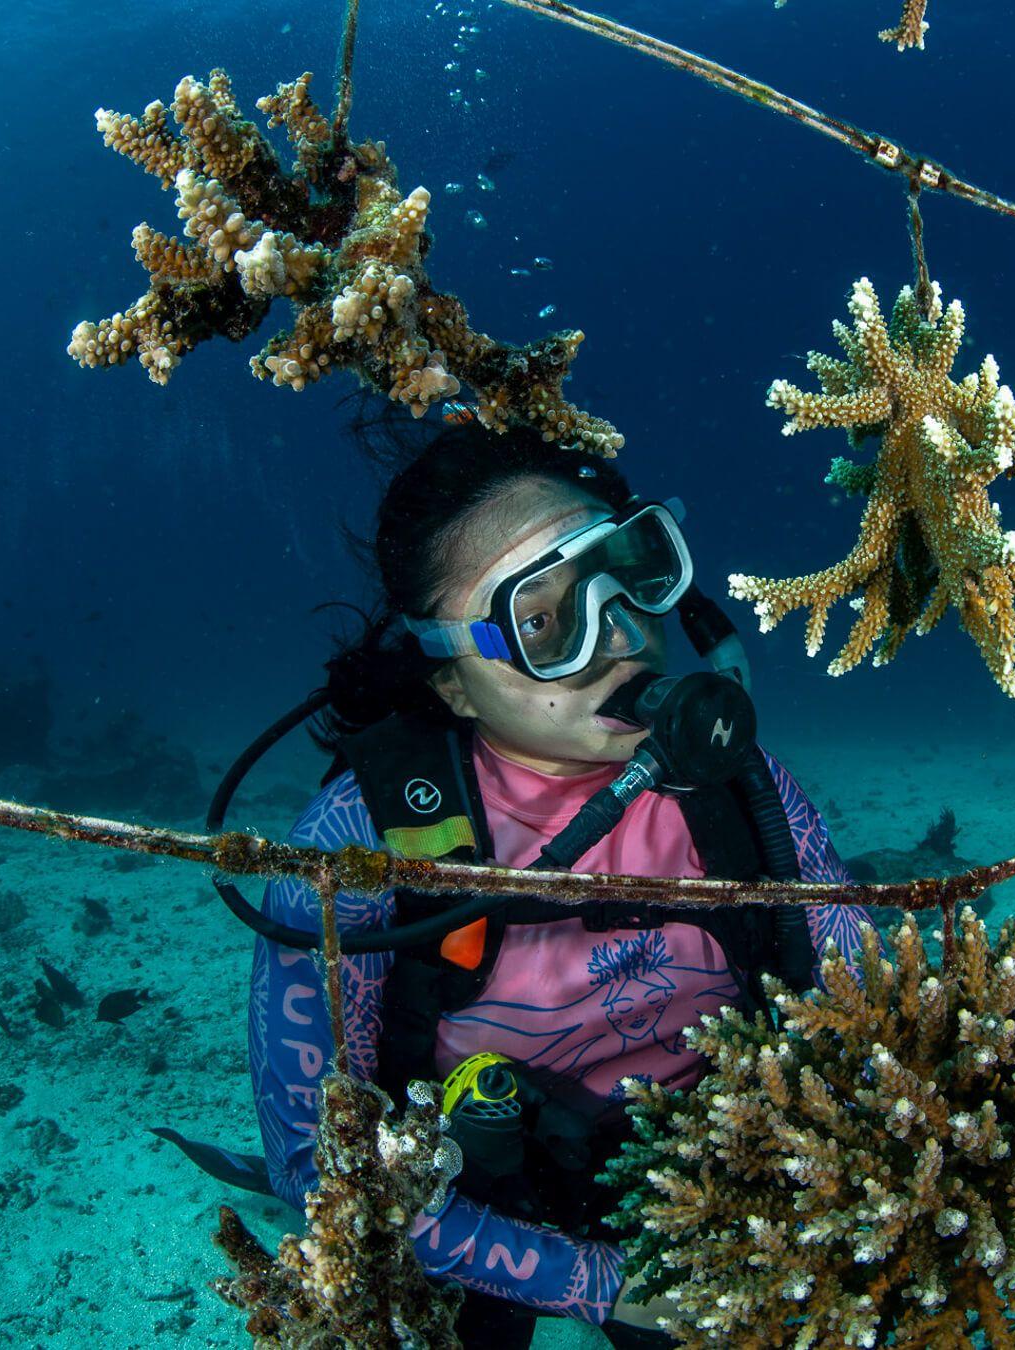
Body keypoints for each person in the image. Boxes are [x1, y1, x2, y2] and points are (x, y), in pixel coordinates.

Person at [245, 420, 869, 1346]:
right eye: (544, 623)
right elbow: (315, 1169)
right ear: (454, 683)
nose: (620, 634)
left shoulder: (746, 788)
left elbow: (872, 1009)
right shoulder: (356, 846)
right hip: (474, 1208)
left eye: (629, 572)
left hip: (716, 1185)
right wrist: (597, 1282)